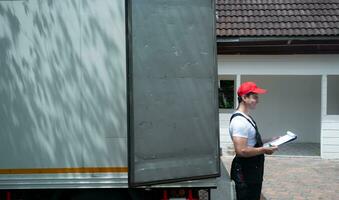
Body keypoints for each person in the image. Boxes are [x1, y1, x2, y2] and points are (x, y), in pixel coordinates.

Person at [229, 82, 278, 200]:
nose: (258, 100)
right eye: (255, 97)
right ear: (244, 98)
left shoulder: (246, 117)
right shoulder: (239, 122)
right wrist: (264, 150)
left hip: (252, 171)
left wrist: (269, 140)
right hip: (245, 172)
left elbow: (250, 141)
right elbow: (241, 151)